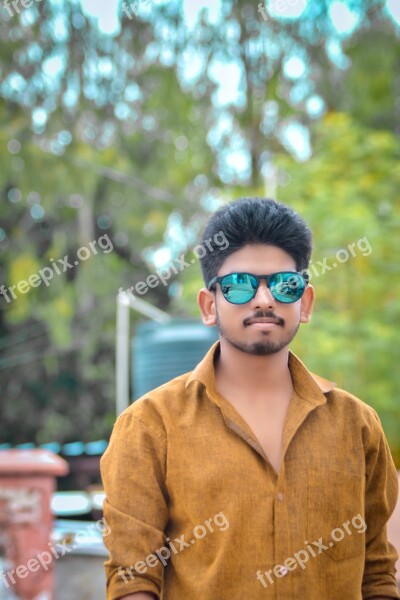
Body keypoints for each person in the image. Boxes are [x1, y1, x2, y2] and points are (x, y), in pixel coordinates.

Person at [100, 197, 400, 600]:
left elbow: (377, 571)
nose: (263, 299)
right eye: (240, 285)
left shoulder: (357, 425)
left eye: (283, 284)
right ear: (209, 306)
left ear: (305, 302)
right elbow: (133, 579)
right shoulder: (151, 425)